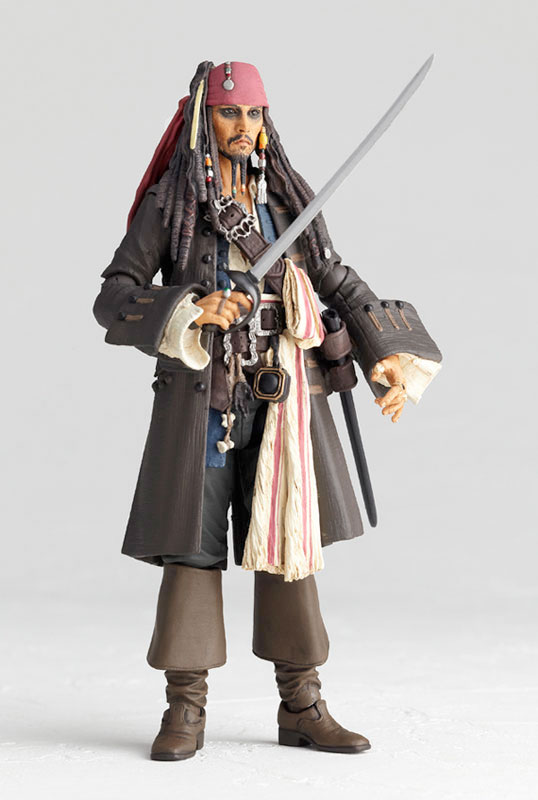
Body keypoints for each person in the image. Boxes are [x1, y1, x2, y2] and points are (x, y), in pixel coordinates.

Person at [93, 60, 442, 761]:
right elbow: (114, 295)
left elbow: (335, 277)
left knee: (290, 539)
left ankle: (302, 705)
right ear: (204, 120)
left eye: (254, 114)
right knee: (193, 549)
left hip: (282, 400)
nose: (244, 126)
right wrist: (190, 308)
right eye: (230, 113)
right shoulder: (172, 204)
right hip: (204, 404)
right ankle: (185, 707)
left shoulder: (286, 198)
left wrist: (385, 354)